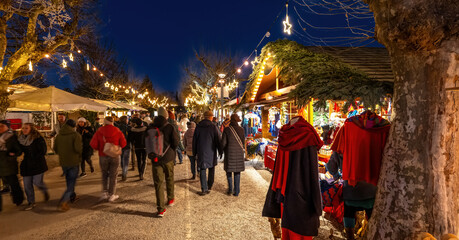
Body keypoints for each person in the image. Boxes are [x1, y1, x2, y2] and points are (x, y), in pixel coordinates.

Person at [326, 151, 377, 240]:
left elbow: (331, 166)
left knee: (349, 215)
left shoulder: (342, 140)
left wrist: (336, 175)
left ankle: (350, 237)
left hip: (350, 192)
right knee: (372, 219)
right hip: (371, 191)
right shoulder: (374, 137)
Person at [146, 107, 179, 217]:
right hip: (168, 157)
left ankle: (160, 209)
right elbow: (175, 142)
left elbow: (145, 141)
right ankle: (170, 199)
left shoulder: (150, 126)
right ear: (166, 116)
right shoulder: (169, 127)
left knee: (158, 184)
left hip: (155, 158)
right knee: (169, 178)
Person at [90, 117, 127, 203]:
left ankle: (104, 192)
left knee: (104, 174)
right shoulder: (117, 130)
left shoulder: (99, 131)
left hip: (103, 155)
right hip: (115, 156)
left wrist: (100, 148)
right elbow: (124, 143)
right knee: (113, 175)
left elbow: (93, 144)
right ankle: (112, 194)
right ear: (112, 122)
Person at [18, 123, 49, 210]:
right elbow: (19, 151)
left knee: (37, 182)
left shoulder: (38, 138)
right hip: (26, 165)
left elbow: (43, 150)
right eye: (23, 128)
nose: (24, 130)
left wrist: (35, 157)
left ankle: (44, 190)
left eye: (26, 128)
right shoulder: (20, 139)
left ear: (31, 129)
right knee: (27, 185)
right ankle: (31, 202)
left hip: (38, 164)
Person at [53, 119, 82, 211]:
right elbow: (78, 149)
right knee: (71, 182)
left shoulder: (59, 136)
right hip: (73, 161)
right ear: (74, 126)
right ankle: (64, 201)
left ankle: (72, 196)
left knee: (68, 180)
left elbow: (55, 149)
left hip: (63, 162)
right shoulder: (75, 135)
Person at [192, 111, 222, 196]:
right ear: (211, 117)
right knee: (211, 168)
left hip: (201, 151)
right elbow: (218, 140)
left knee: (202, 169)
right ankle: (209, 185)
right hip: (211, 151)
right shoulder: (213, 127)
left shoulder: (198, 126)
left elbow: (195, 141)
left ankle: (204, 188)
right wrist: (220, 151)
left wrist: (194, 152)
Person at [0, 120, 24, 211]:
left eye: (2, 126)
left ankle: (18, 199)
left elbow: (19, 150)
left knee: (14, 185)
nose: (0, 128)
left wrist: (12, 154)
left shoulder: (12, 137)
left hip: (9, 165)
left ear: (7, 127)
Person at [221, 114, 245, 196]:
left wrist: (222, 150)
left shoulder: (227, 130)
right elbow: (243, 142)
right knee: (237, 172)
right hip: (239, 153)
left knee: (229, 171)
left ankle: (230, 190)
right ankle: (237, 191)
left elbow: (223, 143)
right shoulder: (241, 130)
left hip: (229, 153)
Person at [117, 116, 131, 181]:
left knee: (122, 158)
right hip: (127, 145)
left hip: (120, 145)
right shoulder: (128, 127)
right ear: (125, 120)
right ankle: (124, 173)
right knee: (126, 160)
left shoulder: (118, 127)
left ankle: (123, 171)